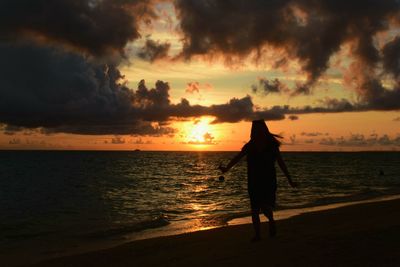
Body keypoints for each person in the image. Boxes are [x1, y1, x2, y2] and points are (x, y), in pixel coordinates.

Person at [219, 120, 297, 241]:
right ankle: (258, 234)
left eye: (258, 129)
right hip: (254, 181)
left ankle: (270, 221)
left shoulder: (272, 145)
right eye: (255, 129)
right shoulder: (250, 146)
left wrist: (289, 179)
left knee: (264, 206)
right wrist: (226, 169)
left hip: (268, 180)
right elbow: (237, 158)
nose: (256, 131)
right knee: (255, 209)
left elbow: (281, 163)